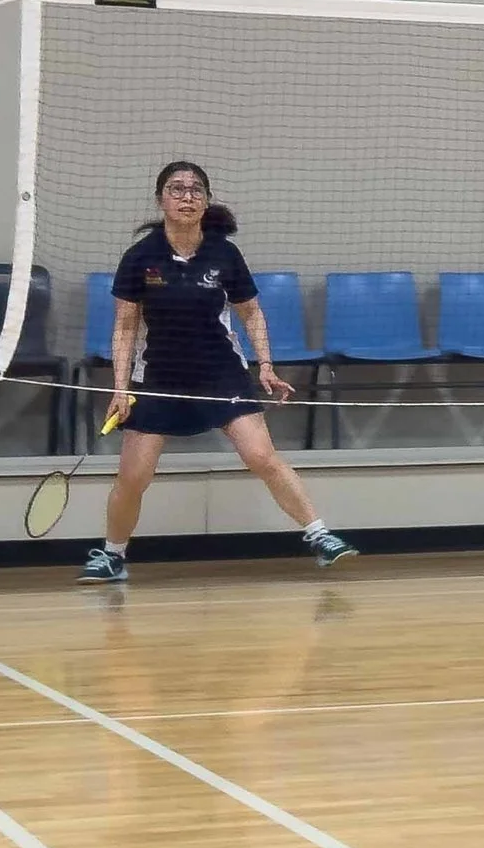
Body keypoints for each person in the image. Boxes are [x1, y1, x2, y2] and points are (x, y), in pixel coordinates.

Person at [79, 162, 358, 585]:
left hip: (219, 373)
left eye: (196, 190)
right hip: (157, 378)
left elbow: (251, 313)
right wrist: (120, 388)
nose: (187, 197)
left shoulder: (224, 253)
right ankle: (113, 555)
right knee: (133, 477)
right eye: (177, 189)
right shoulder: (141, 257)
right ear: (161, 200)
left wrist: (265, 364)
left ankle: (320, 536)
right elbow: (124, 325)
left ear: (206, 201)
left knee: (262, 457)